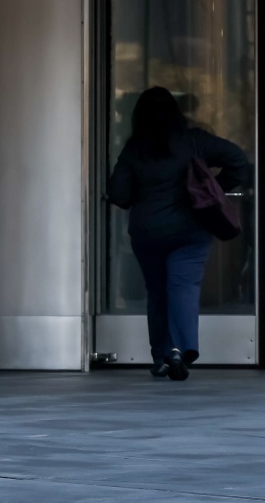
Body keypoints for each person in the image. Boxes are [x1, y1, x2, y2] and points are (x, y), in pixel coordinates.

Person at [106, 87, 253, 381]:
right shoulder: (195, 142)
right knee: (183, 286)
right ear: (176, 113)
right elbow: (238, 159)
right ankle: (180, 349)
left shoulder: (134, 150)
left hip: (148, 232)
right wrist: (212, 190)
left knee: (157, 292)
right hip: (191, 229)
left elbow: (119, 194)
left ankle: (161, 356)